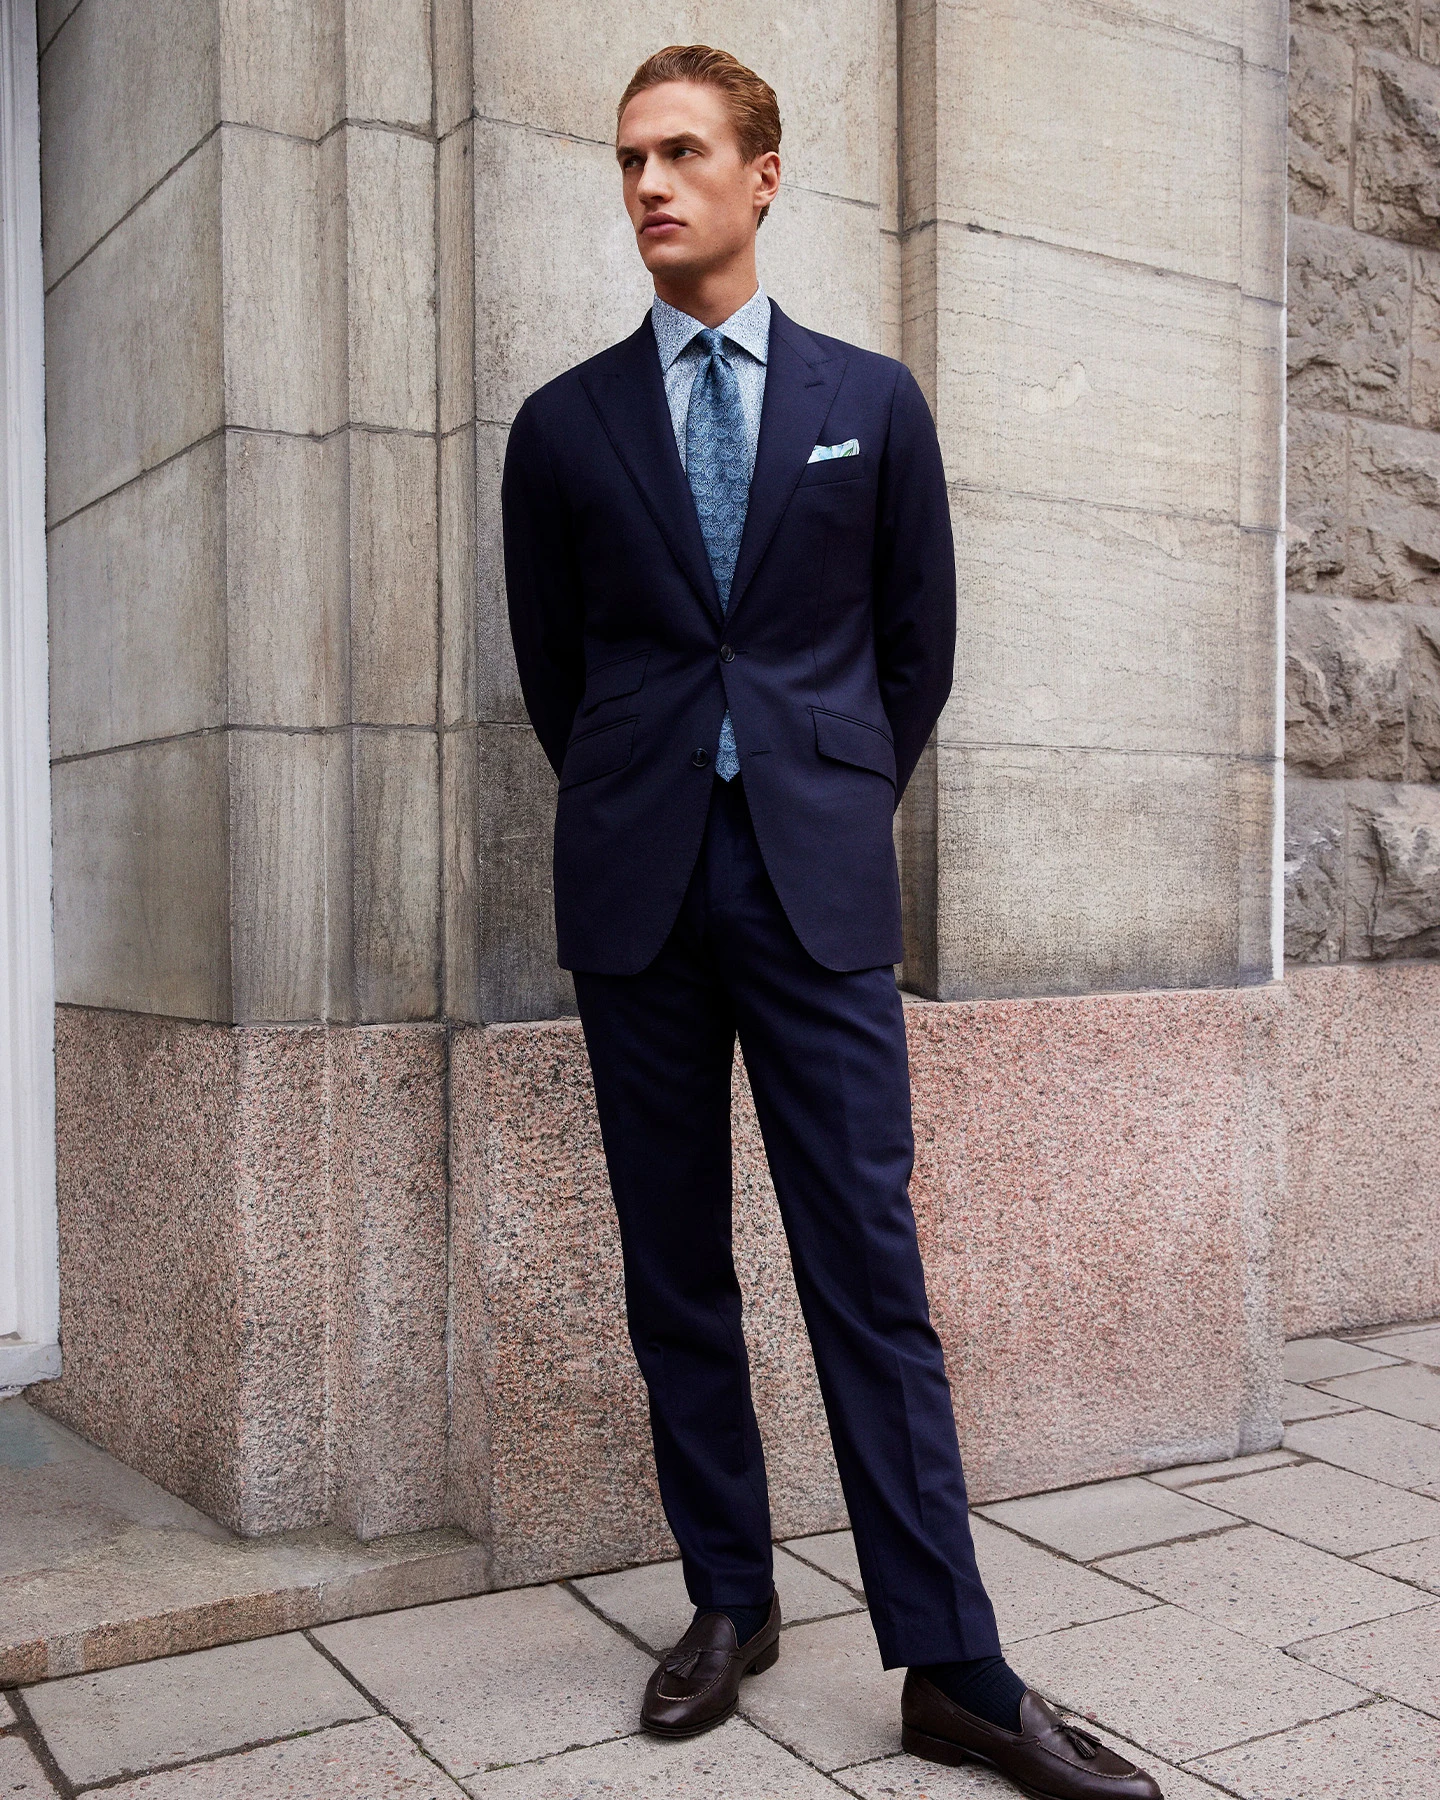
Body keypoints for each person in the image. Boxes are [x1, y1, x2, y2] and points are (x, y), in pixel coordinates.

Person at [501, 43, 1160, 1800]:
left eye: (685, 152)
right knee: (676, 1270)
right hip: (638, 890)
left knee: (868, 1269)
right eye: (629, 157)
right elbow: (556, 675)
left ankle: (952, 1661)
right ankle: (730, 1599)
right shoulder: (563, 427)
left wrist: (812, 789)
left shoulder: (873, 398)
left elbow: (914, 646)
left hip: (815, 887)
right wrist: (663, 786)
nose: (650, 183)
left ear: (765, 173)